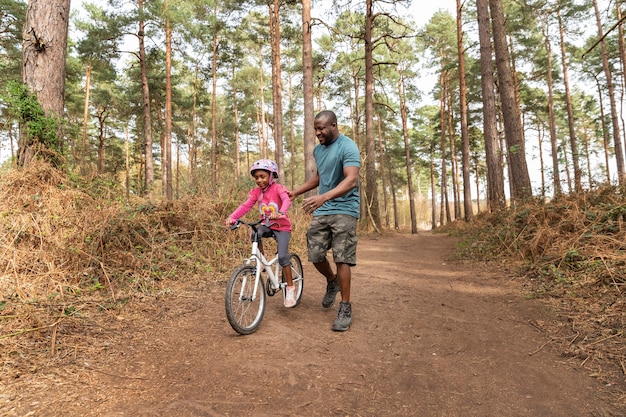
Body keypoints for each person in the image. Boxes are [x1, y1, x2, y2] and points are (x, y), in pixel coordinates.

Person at [288, 110, 360, 331]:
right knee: (316, 254)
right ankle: (332, 281)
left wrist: (324, 196)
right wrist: (295, 192)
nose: (317, 133)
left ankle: (345, 307)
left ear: (334, 126)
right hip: (323, 209)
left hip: (345, 209)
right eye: (315, 129)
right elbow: (320, 177)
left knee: (342, 258)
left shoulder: (348, 146)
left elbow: (352, 179)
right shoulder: (318, 150)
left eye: (321, 129)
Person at [226, 159, 297, 308]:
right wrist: (233, 217)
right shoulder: (256, 192)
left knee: (283, 256)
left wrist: (281, 212)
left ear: (271, 176)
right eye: (256, 177)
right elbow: (246, 205)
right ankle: (262, 260)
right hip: (267, 225)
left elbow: (286, 201)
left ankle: (290, 288)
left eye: (262, 176)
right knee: (255, 233)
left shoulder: (278, 189)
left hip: (282, 226)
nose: (259, 180)